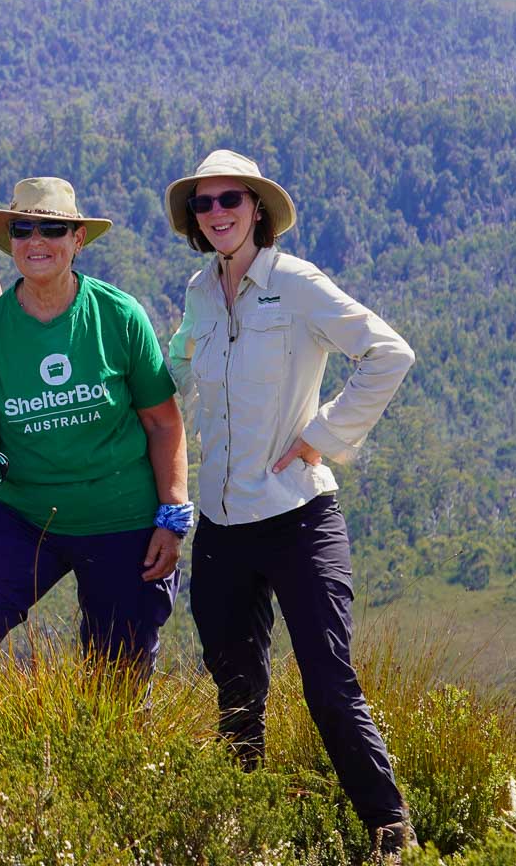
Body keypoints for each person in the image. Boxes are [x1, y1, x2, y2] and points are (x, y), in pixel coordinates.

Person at [164, 149, 417, 854]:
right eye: (203, 204)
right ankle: (244, 823)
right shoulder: (199, 291)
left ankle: (389, 828)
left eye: (230, 200)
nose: (217, 214)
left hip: (299, 519)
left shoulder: (297, 283)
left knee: (329, 683)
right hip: (220, 527)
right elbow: (182, 362)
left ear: (258, 209)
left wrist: (322, 435)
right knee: (235, 686)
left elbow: (389, 353)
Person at [0, 178, 187, 704]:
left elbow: (164, 422)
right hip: (23, 515)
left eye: (52, 228)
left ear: (78, 239)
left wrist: (172, 515)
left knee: (117, 685)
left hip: (122, 518)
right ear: (10, 240)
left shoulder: (119, 317)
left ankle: (112, 781)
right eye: (23, 228)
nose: (37, 240)